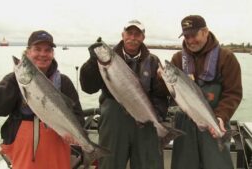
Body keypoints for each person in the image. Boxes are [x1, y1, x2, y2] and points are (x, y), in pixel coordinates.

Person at [0, 30, 85, 169]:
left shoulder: (64, 82)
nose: (43, 54)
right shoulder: (14, 79)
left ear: (52, 54)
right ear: (27, 53)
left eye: (48, 50)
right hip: (25, 153)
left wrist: (74, 133)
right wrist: (16, 79)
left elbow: (78, 116)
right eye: (37, 49)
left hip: (57, 149)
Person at [79, 19, 168, 169]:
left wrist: (163, 84)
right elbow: (88, 87)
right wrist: (92, 62)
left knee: (147, 164)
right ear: (123, 35)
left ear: (143, 37)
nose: (133, 38)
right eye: (129, 33)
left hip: (144, 121)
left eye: (137, 34)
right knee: (110, 164)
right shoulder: (106, 59)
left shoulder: (153, 61)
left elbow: (160, 95)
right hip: (114, 121)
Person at [168, 15, 243, 169]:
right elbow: (171, 95)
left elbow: (233, 93)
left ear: (206, 32)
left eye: (194, 35)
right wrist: (161, 80)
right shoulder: (177, 59)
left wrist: (221, 117)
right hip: (185, 126)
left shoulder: (226, 58)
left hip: (214, 123)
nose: (190, 41)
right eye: (186, 36)